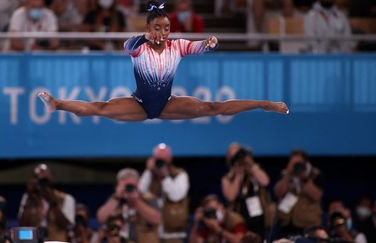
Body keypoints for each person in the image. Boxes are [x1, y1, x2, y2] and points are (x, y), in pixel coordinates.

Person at [37, 0, 289, 122]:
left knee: (214, 107)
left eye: (166, 27)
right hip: (138, 104)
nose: (163, 31)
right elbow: (127, 46)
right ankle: (57, 104)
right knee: (100, 108)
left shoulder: (176, 46)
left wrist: (209, 43)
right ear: (148, 27)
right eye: (158, 27)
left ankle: (263, 103)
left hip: (168, 104)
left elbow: (197, 46)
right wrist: (145, 37)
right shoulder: (139, 47)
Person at [139, 143, 190, 243]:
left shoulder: (179, 174)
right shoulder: (150, 175)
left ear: (170, 159)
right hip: (151, 233)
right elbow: (140, 192)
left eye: (163, 159)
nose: (161, 163)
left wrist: (165, 176)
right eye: (158, 159)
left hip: (173, 234)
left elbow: (175, 196)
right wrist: (148, 171)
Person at [221, 143, 273, 238]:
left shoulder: (254, 170)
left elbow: (265, 182)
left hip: (260, 218)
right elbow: (231, 197)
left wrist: (250, 163)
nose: (238, 158)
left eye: (239, 153)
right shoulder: (228, 178)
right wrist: (238, 175)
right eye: (234, 156)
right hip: (240, 220)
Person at [96, 168, 161, 242]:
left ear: (138, 184)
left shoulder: (148, 199)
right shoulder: (115, 200)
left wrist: (136, 201)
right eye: (125, 185)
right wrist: (117, 197)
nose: (128, 189)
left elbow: (156, 220)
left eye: (131, 185)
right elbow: (101, 218)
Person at [18, 163, 76, 241]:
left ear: (51, 178)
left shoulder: (66, 198)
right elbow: (22, 226)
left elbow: (67, 226)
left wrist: (53, 203)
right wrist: (30, 199)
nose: (42, 183)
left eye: (45, 180)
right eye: (39, 179)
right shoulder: (28, 198)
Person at [274, 150, 323, 236]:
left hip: (308, 224)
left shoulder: (315, 174)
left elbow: (316, 196)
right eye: (293, 163)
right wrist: (288, 175)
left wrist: (304, 179)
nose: (296, 166)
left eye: (298, 163)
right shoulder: (285, 174)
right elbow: (278, 193)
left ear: (305, 163)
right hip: (287, 223)